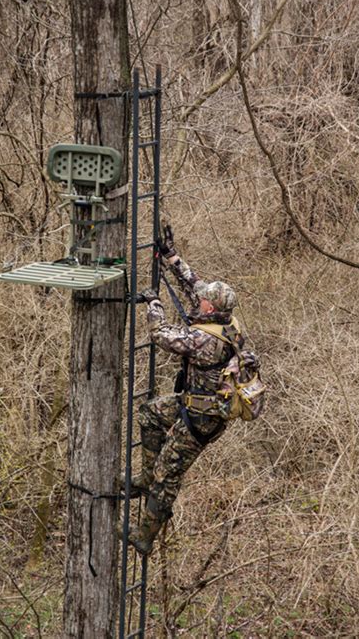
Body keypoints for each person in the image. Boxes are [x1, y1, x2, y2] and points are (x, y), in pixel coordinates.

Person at [122, 227, 258, 556]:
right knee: (150, 414)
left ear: (210, 309)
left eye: (205, 299)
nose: (200, 297)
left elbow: (161, 334)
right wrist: (172, 257)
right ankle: (143, 476)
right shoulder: (227, 322)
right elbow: (194, 285)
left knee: (168, 473)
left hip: (203, 418)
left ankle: (145, 536)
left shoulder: (206, 340)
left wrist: (153, 303)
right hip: (193, 403)